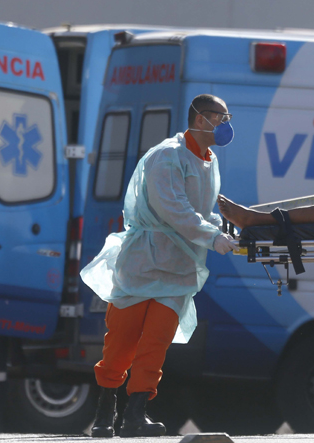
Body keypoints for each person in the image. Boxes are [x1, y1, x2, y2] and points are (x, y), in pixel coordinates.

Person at [80, 94, 239, 438]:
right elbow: (173, 209)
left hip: (179, 267)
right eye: (221, 118)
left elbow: (197, 211)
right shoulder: (167, 156)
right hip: (144, 262)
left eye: (227, 118)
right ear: (200, 119)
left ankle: (135, 414)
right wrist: (212, 237)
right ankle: (105, 412)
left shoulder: (208, 161)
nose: (226, 125)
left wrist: (223, 227)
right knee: (121, 341)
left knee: (156, 342)